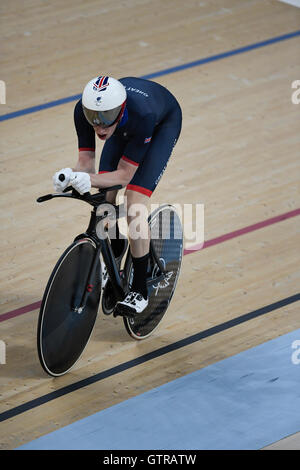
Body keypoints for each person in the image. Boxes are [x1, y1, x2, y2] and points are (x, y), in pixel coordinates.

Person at [53, 75, 182, 315]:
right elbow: (85, 164)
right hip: (125, 129)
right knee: (106, 199)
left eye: (105, 118)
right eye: (94, 118)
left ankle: (140, 290)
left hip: (160, 124)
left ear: (120, 110)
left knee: (134, 205)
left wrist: (87, 179)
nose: (100, 127)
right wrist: (69, 176)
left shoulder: (143, 114)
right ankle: (117, 245)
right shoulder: (84, 112)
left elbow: (124, 175)